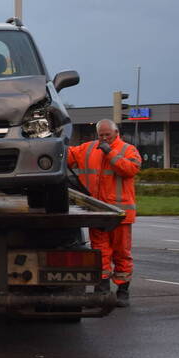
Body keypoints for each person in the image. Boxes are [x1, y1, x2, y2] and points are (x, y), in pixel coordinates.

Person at [67, 119, 141, 306]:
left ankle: (123, 291)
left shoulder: (128, 149)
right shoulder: (88, 149)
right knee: (100, 253)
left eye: (108, 135)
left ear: (117, 133)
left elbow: (129, 170)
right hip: (98, 214)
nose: (104, 138)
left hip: (120, 215)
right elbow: (66, 156)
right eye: (101, 135)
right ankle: (102, 290)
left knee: (121, 253)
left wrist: (110, 153)